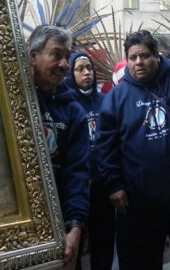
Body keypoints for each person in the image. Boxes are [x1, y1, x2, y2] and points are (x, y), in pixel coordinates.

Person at [97, 30, 170, 269]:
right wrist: (114, 185)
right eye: (132, 57)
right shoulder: (116, 98)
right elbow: (105, 145)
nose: (138, 62)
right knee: (141, 261)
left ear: (157, 56)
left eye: (144, 56)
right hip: (138, 197)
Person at [28, 26, 90, 270]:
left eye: (67, 56)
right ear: (34, 56)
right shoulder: (13, 100)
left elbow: (77, 172)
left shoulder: (73, 111)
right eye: (56, 55)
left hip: (58, 228)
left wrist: (75, 227)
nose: (65, 64)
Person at [63, 53, 114, 269]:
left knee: (103, 243)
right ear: (70, 74)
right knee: (76, 243)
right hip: (78, 188)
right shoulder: (68, 105)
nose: (87, 73)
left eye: (90, 68)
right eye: (80, 69)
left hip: (103, 185)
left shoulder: (105, 101)